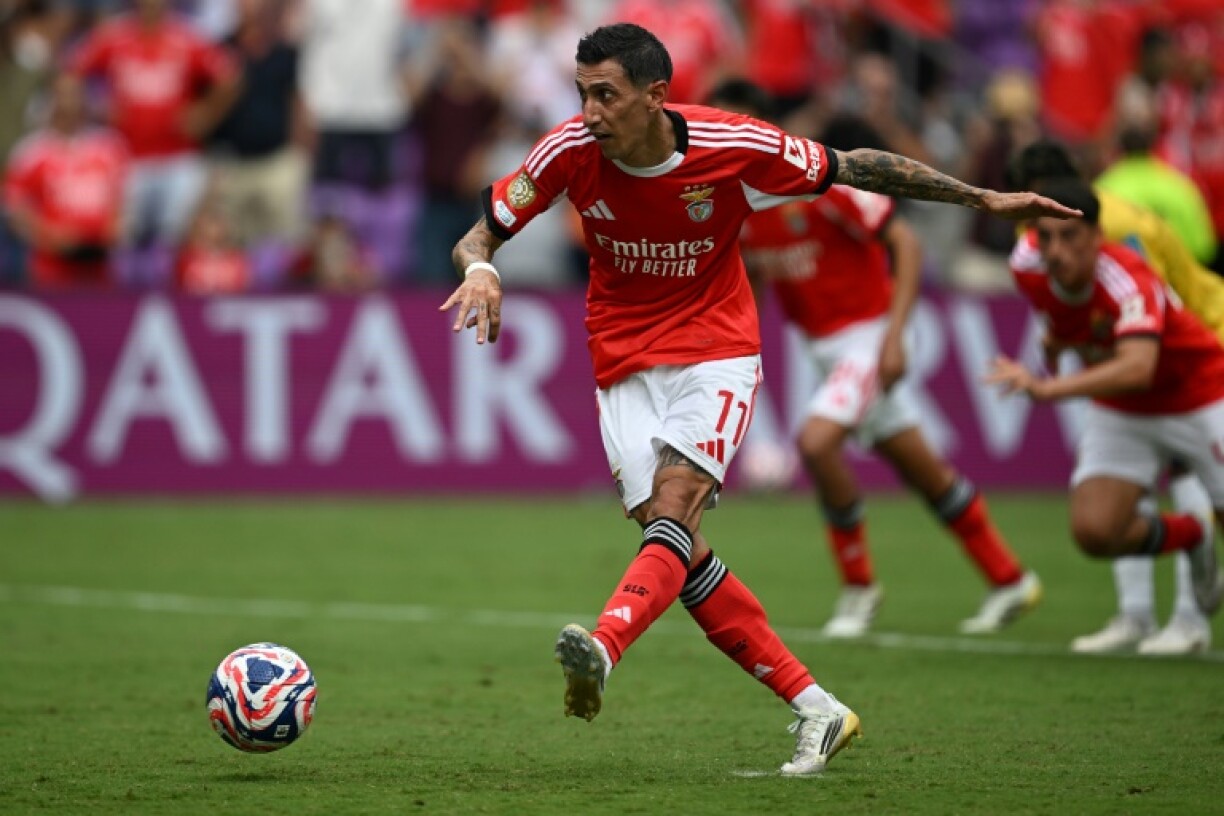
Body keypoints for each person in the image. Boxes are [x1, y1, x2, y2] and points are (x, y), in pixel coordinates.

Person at [440, 23, 1079, 776]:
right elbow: (478, 234)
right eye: (582, 93)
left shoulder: (737, 146)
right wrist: (481, 269)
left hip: (716, 349)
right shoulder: (566, 152)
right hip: (620, 362)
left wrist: (980, 197)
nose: (589, 110)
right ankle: (819, 708)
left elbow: (859, 167)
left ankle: (604, 647)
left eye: (605, 94)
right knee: (672, 550)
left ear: (654, 96)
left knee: (677, 507)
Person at [708, 80, 1041, 639]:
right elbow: (756, 281)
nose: (723, 134)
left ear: (763, 125)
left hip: (867, 339)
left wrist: (893, 338)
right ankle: (1009, 578)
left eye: (735, 121)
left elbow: (907, 244)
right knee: (924, 471)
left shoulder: (816, 181)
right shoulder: (738, 204)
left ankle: (859, 588)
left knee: (816, 443)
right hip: (822, 351)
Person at [1007, 139, 1224, 654]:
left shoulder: (1123, 238)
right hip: (1128, 383)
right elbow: (1084, 316)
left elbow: (1144, 318)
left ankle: (1190, 621)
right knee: (1102, 521)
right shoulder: (1029, 249)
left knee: (1188, 474)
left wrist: (1052, 385)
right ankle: (1137, 615)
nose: (1048, 243)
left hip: (1200, 348)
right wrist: (1063, 341)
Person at [3, 72, 127, 289]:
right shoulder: (31, 151)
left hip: (101, 261)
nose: (69, 102)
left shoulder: (110, 146)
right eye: (62, 95)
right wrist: (48, 235)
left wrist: (115, 227)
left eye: (75, 94)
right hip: (51, 265)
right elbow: (14, 207)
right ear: (49, 101)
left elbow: (124, 197)